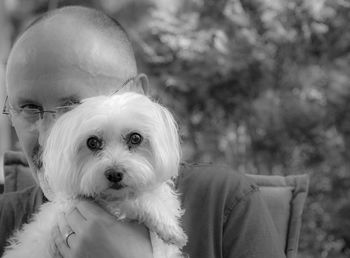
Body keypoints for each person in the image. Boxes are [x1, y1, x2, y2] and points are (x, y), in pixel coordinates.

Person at [0, 6, 286, 258]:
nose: (49, 137)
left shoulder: (225, 203)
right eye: (27, 108)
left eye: (75, 107)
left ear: (138, 96)